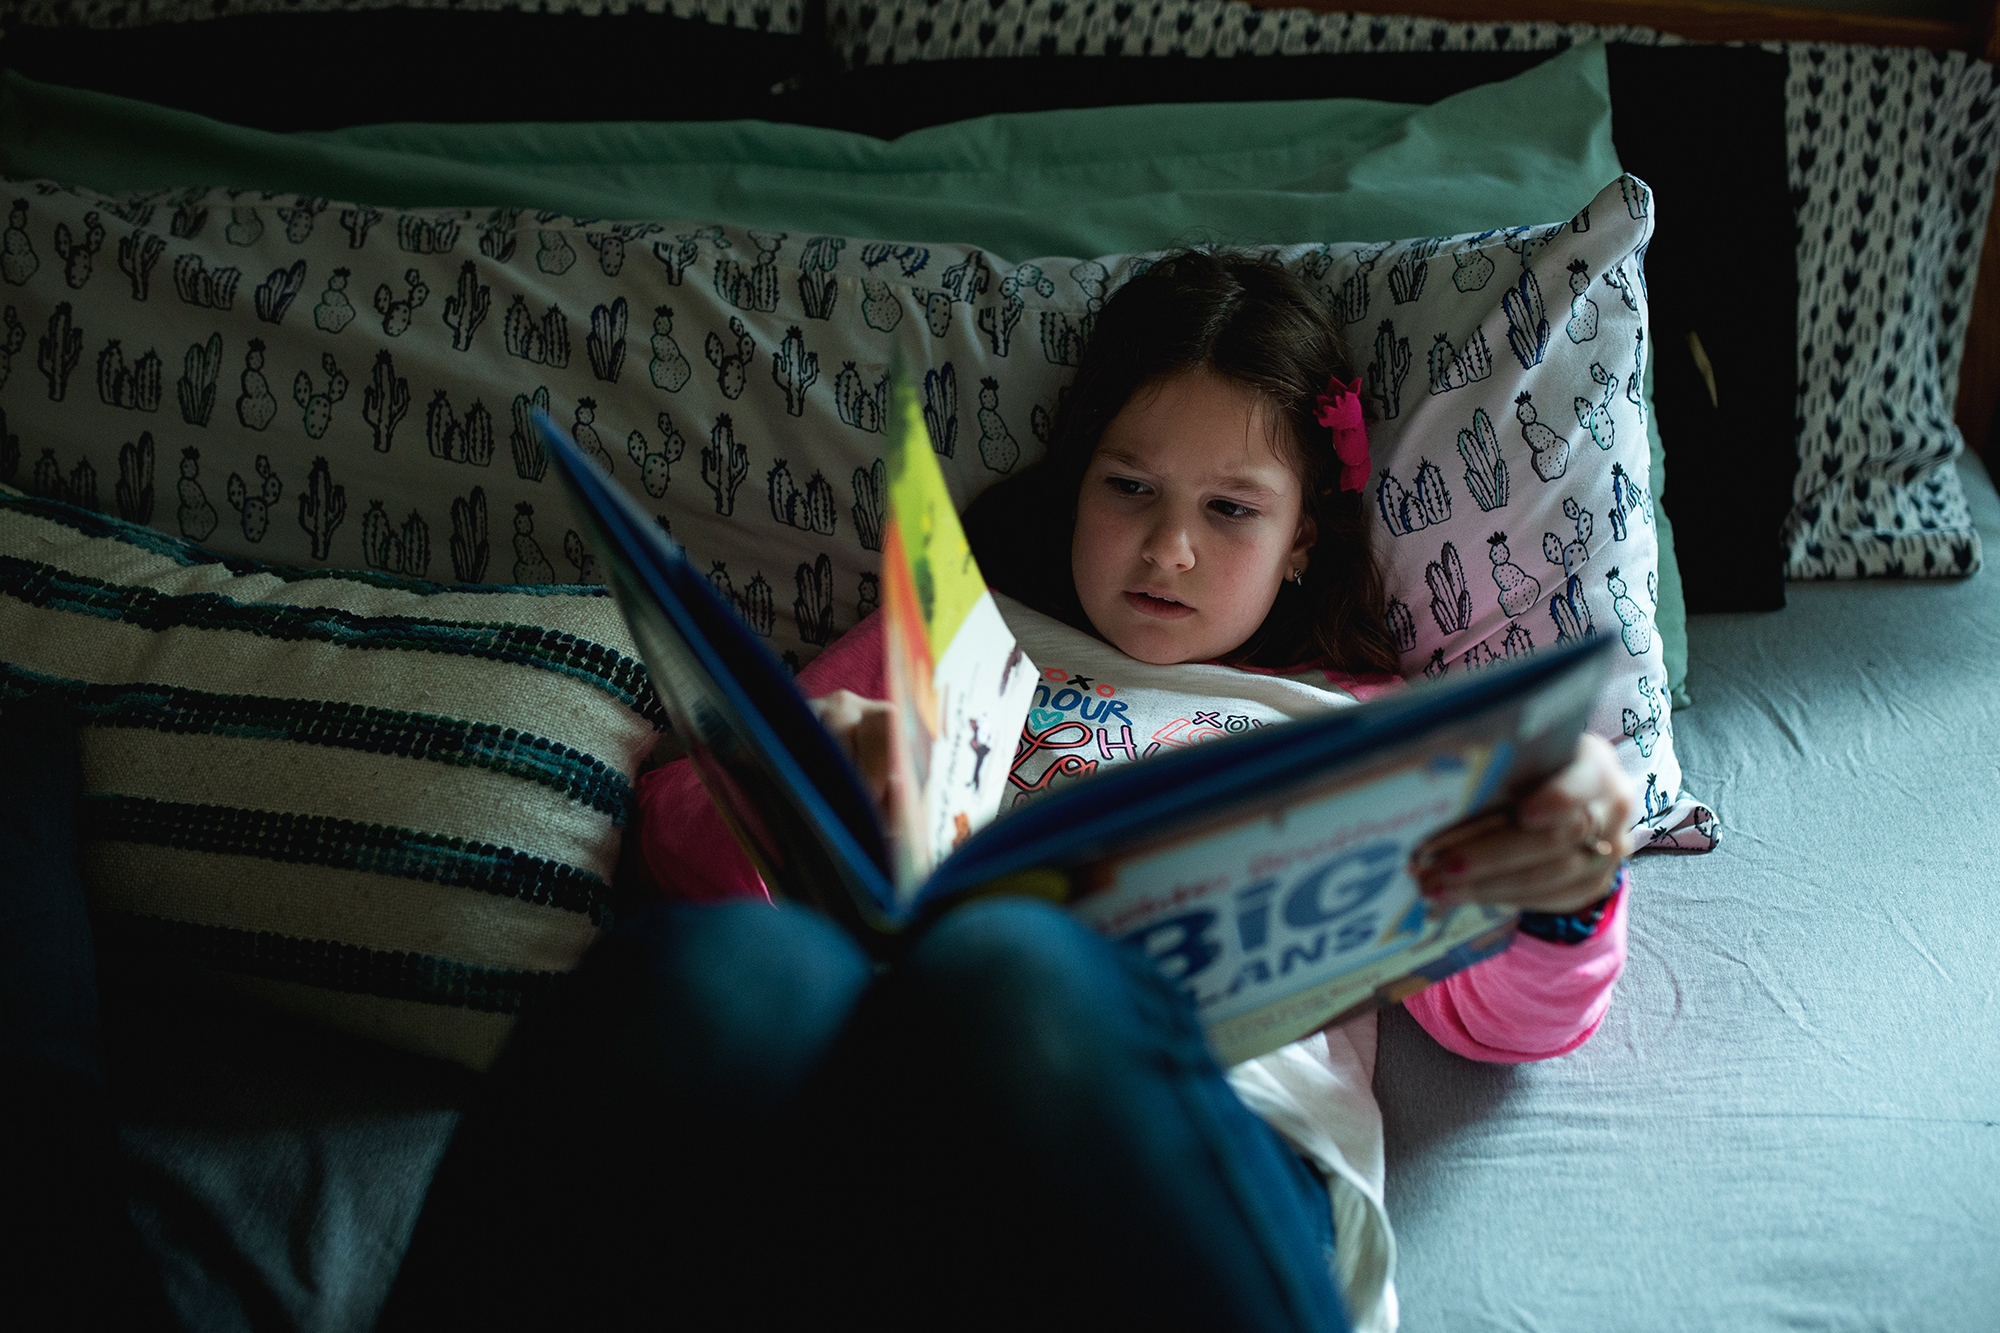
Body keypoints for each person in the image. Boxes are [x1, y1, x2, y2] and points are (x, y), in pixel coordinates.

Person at [619, 250, 1637, 1331]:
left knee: (1021, 977)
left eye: (1231, 509)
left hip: (1212, 1135)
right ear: (1076, 484)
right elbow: (681, 832)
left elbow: (1497, 1013)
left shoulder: (1363, 729)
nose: (1169, 548)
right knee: (691, 971)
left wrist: (1557, 890)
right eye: (1130, 488)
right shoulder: (954, 641)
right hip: (905, 1112)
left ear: (1300, 537)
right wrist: (801, 781)